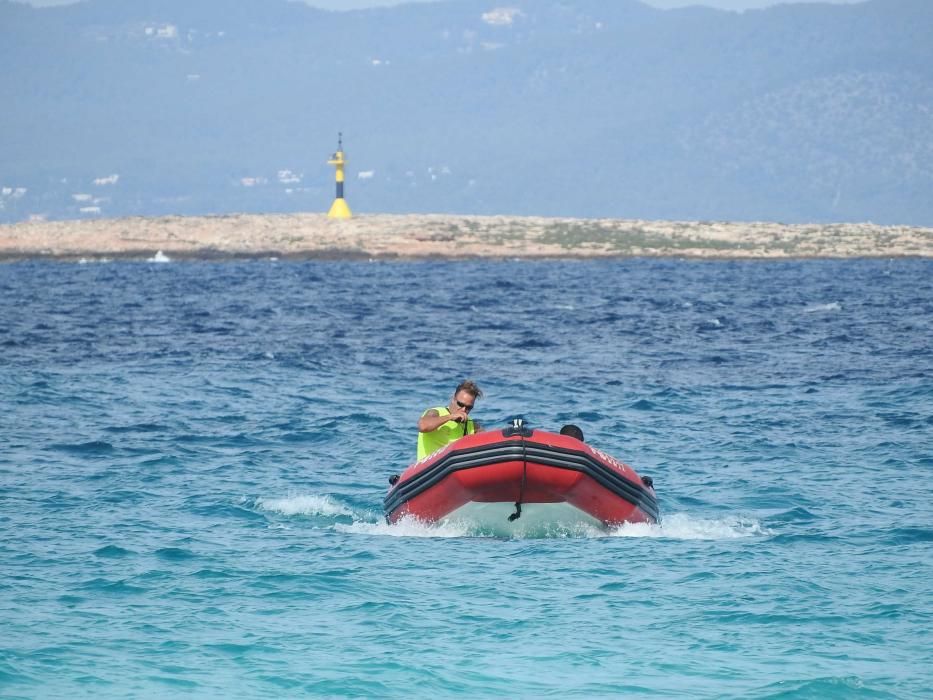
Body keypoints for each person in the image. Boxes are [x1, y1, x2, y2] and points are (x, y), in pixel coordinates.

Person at [417, 380, 484, 459]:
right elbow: (423, 426)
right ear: (453, 399)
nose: (463, 410)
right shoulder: (436, 412)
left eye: (468, 408)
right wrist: (450, 417)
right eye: (460, 404)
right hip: (431, 467)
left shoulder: (472, 425)